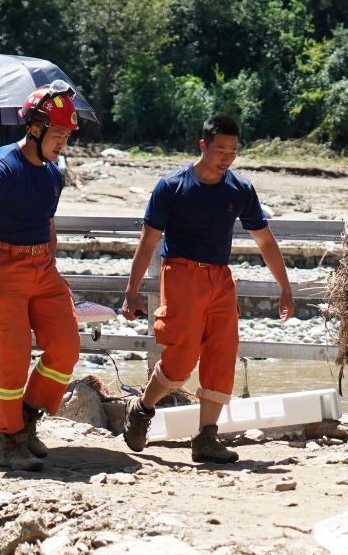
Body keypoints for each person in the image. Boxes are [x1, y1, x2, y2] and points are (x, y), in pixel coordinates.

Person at [121, 114, 295, 463]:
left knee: (222, 353)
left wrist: (285, 287)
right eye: (220, 150)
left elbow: (264, 240)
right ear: (203, 145)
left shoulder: (240, 189)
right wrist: (132, 290)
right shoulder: (171, 186)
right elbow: (147, 241)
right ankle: (141, 408)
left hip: (220, 278)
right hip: (181, 273)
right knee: (181, 358)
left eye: (233, 151)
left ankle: (206, 438)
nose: (226, 157)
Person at [0, 81, 82, 472]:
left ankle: (28, 416)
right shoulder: (1, 165)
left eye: (67, 135)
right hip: (2, 269)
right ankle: (12, 441)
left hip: (43, 269)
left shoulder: (53, 174)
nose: (63, 141)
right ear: (34, 128)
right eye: (58, 133)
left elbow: (47, 222)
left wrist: (52, 263)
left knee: (65, 348)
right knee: (13, 359)